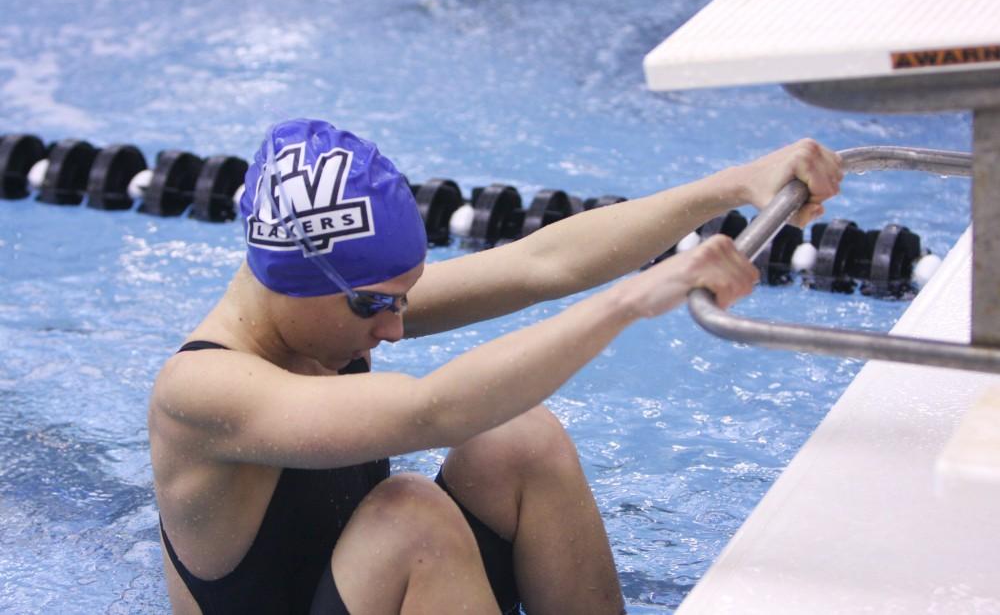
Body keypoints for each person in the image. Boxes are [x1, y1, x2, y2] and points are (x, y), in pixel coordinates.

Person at [149, 118, 842, 615]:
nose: (393, 329)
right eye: (373, 307)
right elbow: (431, 410)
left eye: (401, 302)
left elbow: (542, 262)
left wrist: (729, 186)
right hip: (370, 577)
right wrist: (630, 302)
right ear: (292, 280)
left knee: (519, 440)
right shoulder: (201, 392)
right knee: (409, 518)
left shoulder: (327, 319)